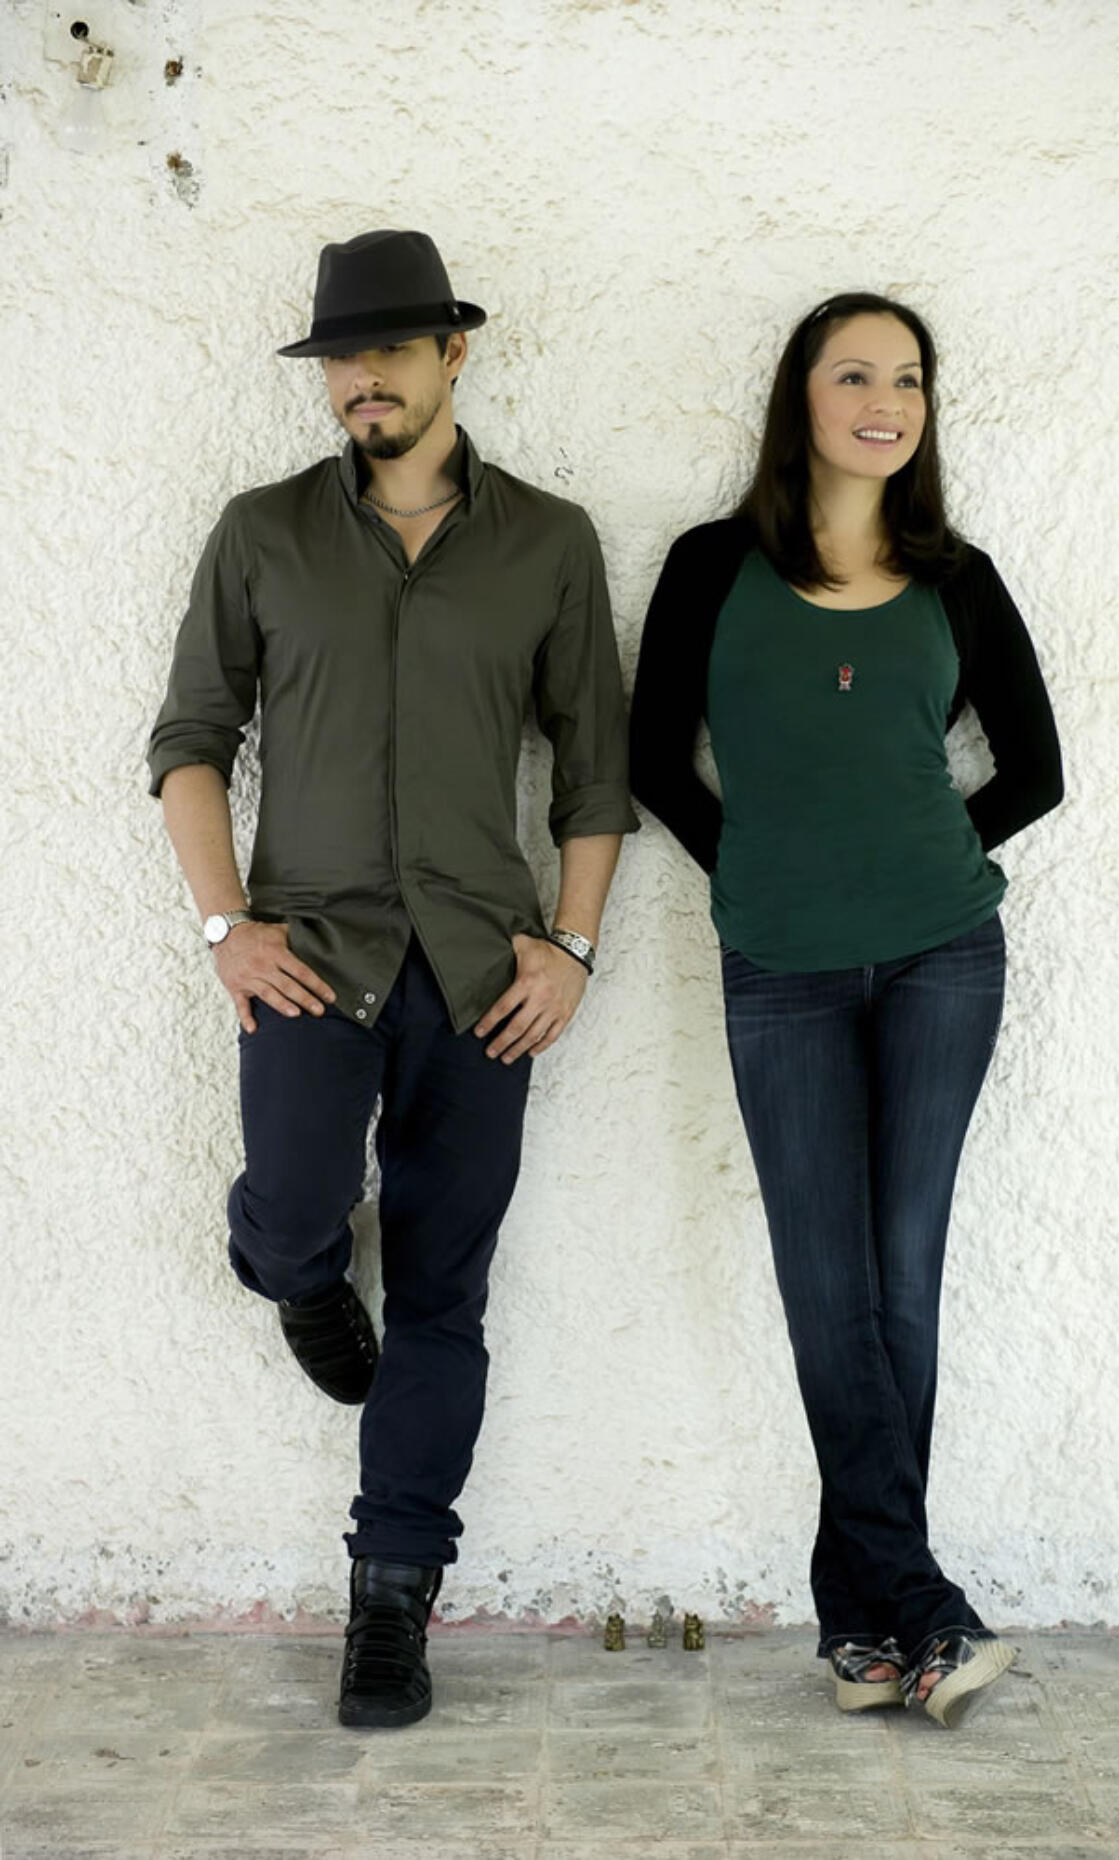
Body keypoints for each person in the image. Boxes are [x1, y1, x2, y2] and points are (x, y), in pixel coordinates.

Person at [148, 229, 637, 1729]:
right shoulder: (261, 531)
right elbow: (189, 742)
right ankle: (287, 1267)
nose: (360, 380)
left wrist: (570, 949)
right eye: (339, 360)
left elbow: (596, 775)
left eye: (388, 354)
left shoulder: (547, 542)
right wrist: (225, 926)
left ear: (452, 357)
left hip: (484, 972)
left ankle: (392, 1601)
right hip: (312, 956)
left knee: (442, 1287)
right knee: (296, 1198)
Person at [629, 292, 1062, 1729]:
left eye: (910, 380)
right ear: (799, 398)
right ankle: (913, 1610)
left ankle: (866, 1626)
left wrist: (933, 857)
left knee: (899, 1280)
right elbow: (651, 762)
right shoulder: (711, 567)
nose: (886, 399)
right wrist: (749, 875)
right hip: (780, 967)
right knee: (829, 1291)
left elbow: (1033, 772)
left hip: (943, 958)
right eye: (854, 373)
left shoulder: (958, 577)